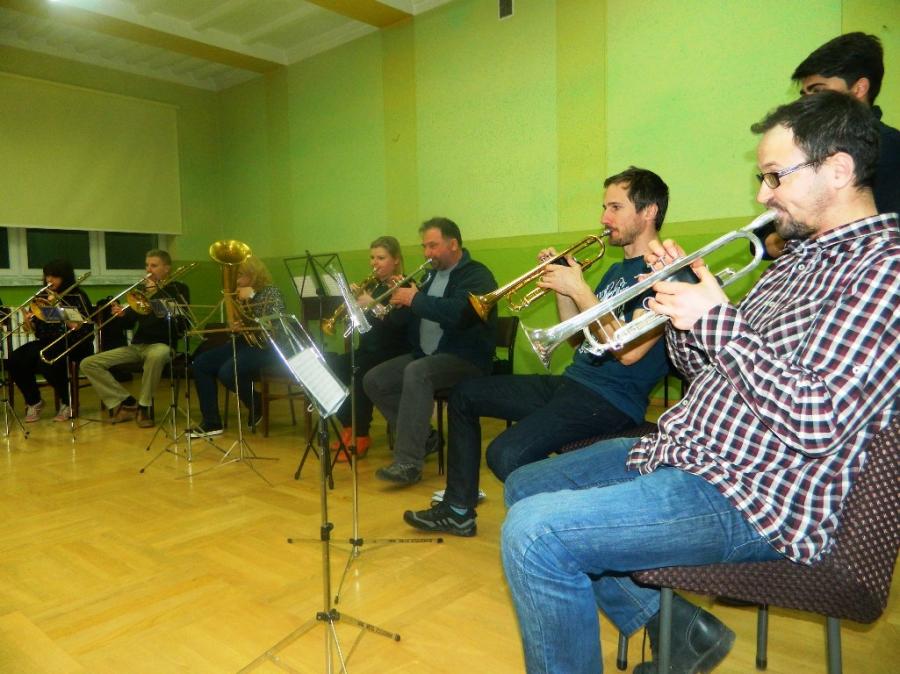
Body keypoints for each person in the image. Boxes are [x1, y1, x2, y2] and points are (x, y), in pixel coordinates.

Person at [500, 91, 899, 674]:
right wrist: (677, 308)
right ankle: (678, 630)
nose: (762, 195)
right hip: (689, 452)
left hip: (758, 494)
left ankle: (675, 631)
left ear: (837, 169)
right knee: (524, 485)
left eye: (774, 176)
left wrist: (716, 320)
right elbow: (708, 367)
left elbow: (816, 420)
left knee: (535, 535)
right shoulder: (792, 262)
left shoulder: (885, 269)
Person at [404, 167, 670, 537]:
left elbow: (628, 352)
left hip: (610, 400)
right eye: (604, 207)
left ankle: (578, 520)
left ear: (649, 211)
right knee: (464, 396)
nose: (603, 218)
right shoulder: (614, 271)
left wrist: (579, 289)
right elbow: (578, 339)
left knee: (505, 454)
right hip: (573, 383)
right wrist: (563, 287)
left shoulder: (665, 274)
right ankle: (458, 509)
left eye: (615, 207)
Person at [363, 217, 498, 486]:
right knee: (374, 380)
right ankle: (426, 438)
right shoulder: (429, 276)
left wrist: (416, 299)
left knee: (418, 372)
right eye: (424, 246)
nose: (427, 253)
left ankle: (408, 464)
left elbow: (459, 313)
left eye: (433, 246)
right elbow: (404, 321)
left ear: (453, 244)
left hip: (465, 357)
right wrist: (397, 303)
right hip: (427, 355)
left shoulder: (476, 275)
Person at [758, 32, 900, 259]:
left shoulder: (891, 149)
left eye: (818, 91)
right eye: (804, 93)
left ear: (859, 88)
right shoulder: (802, 141)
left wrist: (791, 239)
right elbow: (764, 238)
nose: (807, 102)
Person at [81, 249, 190, 428]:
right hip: (138, 345)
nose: (148, 269)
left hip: (162, 344)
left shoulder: (178, 289)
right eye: (147, 265)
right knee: (88, 363)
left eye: (154, 265)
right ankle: (126, 402)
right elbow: (130, 324)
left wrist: (154, 293)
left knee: (156, 356)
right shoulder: (141, 290)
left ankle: (144, 407)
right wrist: (122, 315)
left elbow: (180, 323)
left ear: (166, 268)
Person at [326, 236, 412, 458]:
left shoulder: (404, 285)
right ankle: (348, 424)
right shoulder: (373, 286)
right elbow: (364, 326)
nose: (374, 263)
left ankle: (361, 435)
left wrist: (371, 304)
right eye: (372, 257)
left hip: (394, 351)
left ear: (396, 260)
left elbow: (399, 324)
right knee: (331, 367)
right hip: (369, 348)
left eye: (381, 258)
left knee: (359, 371)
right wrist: (353, 306)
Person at [188, 255, 286, 437]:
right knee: (201, 363)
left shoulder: (271, 292)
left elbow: (274, 324)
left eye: (240, 275)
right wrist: (232, 326)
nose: (237, 281)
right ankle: (211, 422)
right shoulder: (238, 295)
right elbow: (236, 327)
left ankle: (255, 401)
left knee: (227, 371)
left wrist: (252, 298)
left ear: (253, 274)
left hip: (268, 347)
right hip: (245, 342)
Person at [8, 259, 93, 422]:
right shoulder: (42, 295)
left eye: (55, 276)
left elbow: (86, 327)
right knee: (15, 359)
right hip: (48, 341)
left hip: (76, 343)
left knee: (47, 359)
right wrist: (29, 322)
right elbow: (37, 328)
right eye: (47, 276)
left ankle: (68, 402)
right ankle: (34, 401)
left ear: (65, 277)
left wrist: (59, 310)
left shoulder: (77, 295)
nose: (49, 280)